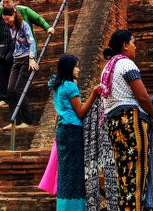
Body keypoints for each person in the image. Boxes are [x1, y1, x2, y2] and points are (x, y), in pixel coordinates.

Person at [100, 29, 153, 211]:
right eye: (133, 42)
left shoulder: (107, 68)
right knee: (137, 172)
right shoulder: (126, 64)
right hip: (130, 122)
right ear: (125, 45)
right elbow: (142, 97)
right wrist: (152, 114)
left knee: (124, 173)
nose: (135, 46)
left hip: (114, 123)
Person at [0, 0, 54, 108]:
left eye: (8, 2)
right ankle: (3, 97)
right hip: (2, 44)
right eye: (3, 2)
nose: (5, 5)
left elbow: (37, 19)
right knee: (0, 68)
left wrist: (48, 27)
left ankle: (14, 94)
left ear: (14, 2)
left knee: (9, 61)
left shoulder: (23, 11)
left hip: (18, 46)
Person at [50, 54, 100, 211]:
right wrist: (93, 94)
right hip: (73, 130)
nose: (78, 69)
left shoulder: (58, 86)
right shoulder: (70, 86)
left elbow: (58, 114)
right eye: (76, 66)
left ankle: (64, 206)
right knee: (76, 171)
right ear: (68, 68)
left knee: (65, 172)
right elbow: (80, 112)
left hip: (62, 130)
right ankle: (76, 207)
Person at [1, 7, 39, 130]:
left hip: (26, 59)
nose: (7, 22)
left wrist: (32, 58)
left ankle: (27, 120)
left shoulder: (24, 25)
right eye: (5, 20)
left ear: (14, 14)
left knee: (19, 90)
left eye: (8, 19)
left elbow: (31, 42)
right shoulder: (11, 28)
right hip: (16, 59)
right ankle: (15, 120)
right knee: (10, 90)